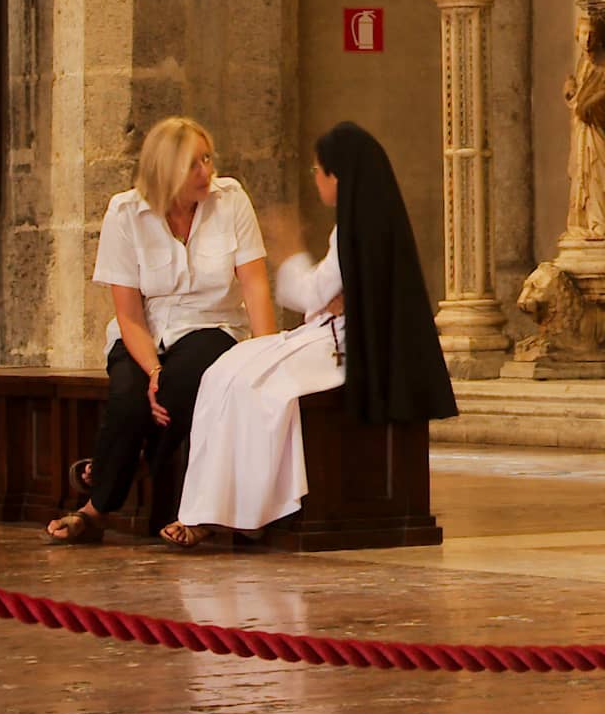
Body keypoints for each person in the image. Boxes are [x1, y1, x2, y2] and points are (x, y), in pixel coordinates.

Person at [166, 120, 456, 545]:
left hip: (342, 350)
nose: (316, 180)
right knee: (224, 373)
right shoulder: (368, 220)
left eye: (317, 171)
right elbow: (328, 293)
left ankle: (245, 511)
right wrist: (325, 294)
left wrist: (288, 253)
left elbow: (314, 291)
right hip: (336, 338)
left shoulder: (353, 228)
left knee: (255, 387)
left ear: (335, 175)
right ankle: (214, 507)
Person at [46, 116, 273, 545]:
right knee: (131, 398)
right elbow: (129, 313)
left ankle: (103, 491)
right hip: (144, 333)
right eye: (193, 164)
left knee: (178, 389)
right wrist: (151, 370)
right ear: (164, 171)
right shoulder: (125, 212)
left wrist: (264, 356)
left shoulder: (232, 200)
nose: (206, 172)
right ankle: (102, 506)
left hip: (212, 325)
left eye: (208, 159)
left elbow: (255, 284)